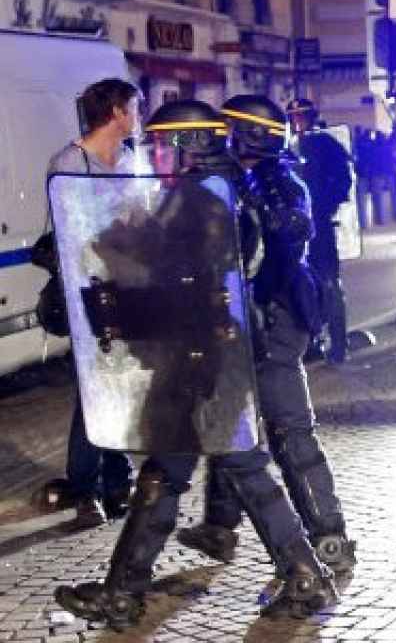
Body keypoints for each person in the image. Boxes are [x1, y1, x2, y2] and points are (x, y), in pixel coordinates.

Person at [53, 100, 334, 627]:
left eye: (163, 141)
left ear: (191, 142)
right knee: (167, 473)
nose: (153, 151)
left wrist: (116, 257)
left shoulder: (207, 198)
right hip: (199, 357)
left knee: (238, 469)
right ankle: (123, 592)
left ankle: (303, 574)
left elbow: (177, 271)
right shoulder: (202, 192)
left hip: (209, 360)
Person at [175, 96, 355, 576]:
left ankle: (329, 534)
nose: (222, 141)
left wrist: (244, 187)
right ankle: (219, 523)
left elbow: (289, 229)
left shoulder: (280, 179)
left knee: (287, 428)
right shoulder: (229, 177)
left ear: (251, 135)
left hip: (275, 316)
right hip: (240, 316)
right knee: (230, 420)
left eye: (231, 131)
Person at [42, 79, 140, 528]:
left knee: (117, 383)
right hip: (86, 291)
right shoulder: (69, 162)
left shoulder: (130, 160)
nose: (137, 116)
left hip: (127, 288)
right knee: (96, 387)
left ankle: (114, 481)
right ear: (117, 112)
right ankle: (88, 487)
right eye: (133, 108)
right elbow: (68, 233)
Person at [284, 97, 355, 364]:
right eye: (293, 116)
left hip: (319, 226)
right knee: (302, 286)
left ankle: (339, 344)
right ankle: (312, 343)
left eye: (302, 115)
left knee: (329, 284)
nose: (298, 121)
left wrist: (325, 206)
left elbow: (344, 179)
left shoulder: (325, 144)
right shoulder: (286, 148)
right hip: (292, 230)